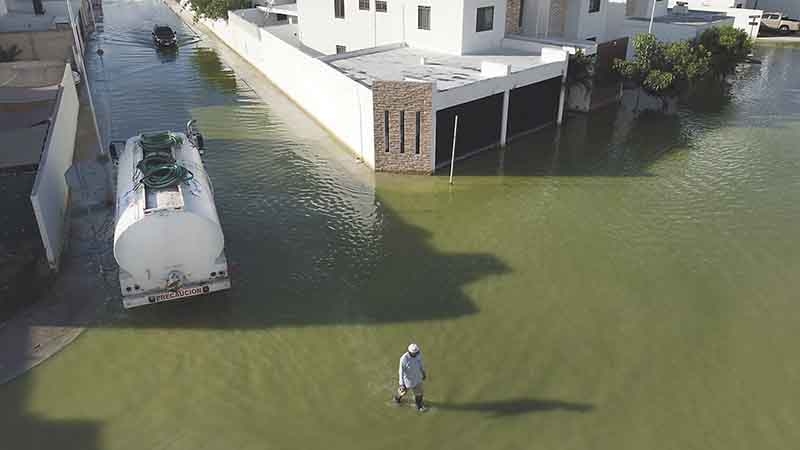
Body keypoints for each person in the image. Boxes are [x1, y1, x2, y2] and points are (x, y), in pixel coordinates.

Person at [393, 343, 427, 411]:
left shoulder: (418, 355)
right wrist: (402, 384)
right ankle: (397, 399)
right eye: (415, 353)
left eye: (417, 352)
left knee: (419, 393)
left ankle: (419, 406)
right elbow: (401, 372)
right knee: (402, 392)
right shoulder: (403, 359)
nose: (417, 354)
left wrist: (423, 372)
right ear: (410, 352)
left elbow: (421, 364)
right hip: (408, 381)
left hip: (417, 378)